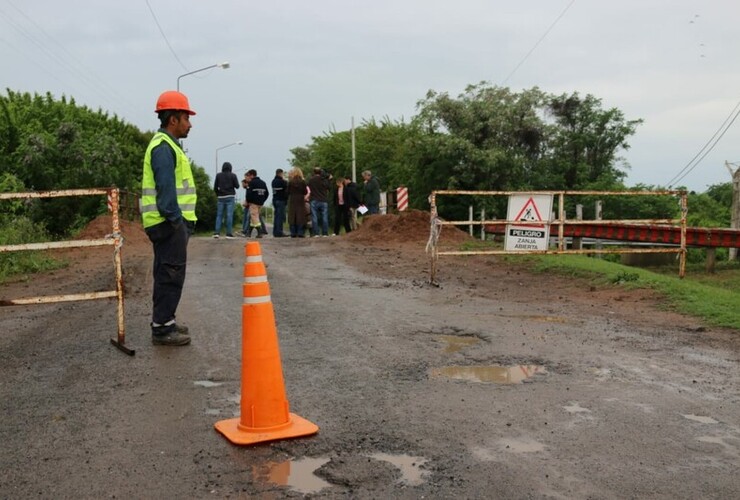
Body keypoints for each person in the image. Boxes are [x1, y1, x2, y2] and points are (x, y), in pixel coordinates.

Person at [140, 90, 196, 346]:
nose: (190, 124)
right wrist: (177, 223)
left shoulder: (168, 146)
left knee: (167, 271)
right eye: (186, 117)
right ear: (173, 119)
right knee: (170, 274)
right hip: (168, 223)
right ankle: (162, 329)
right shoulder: (163, 148)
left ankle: (165, 322)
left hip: (167, 223)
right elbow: (165, 192)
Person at [212, 161, 239, 239]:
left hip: (220, 197)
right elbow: (237, 186)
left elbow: (215, 187)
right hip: (230, 196)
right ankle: (228, 233)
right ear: (230, 168)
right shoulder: (233, 175)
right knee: (229, 215)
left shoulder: (218, 175)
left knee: (219, 215)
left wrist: (218, 194)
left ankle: (217, 233)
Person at [243, 169, 269, 238]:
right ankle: (248, 233)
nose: (248, 176)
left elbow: (248, 194)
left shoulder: (251, 183)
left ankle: (260, 232)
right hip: (260, 203)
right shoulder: (263, 183)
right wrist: (263, 200)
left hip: (253, 203)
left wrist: (248, 202)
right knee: (253, 218)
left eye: (249, 175)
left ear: (252, 175)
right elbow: (267, 193)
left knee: (254, 217)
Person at [307, 167, 331, 236]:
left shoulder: (311, 180)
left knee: (314, 217)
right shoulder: (323, 179)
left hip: (314, 200)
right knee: (324, 216)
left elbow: (309, 188)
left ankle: (316, 233)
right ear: (320, 172)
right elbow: (328, 187)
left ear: (314, 172)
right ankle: (325, 233)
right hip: (323, 200)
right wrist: (329, 180)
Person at [286, 167, 308, 237]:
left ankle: (293, 233)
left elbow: (287, 192)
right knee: (300, 216)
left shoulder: (290, 182)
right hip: (300, 200)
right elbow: (305, 192)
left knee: (292, 216)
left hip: (292, 200)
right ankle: (300, 232)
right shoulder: (303, 182)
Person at [271, 168, 288, 237]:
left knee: (276, 217)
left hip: (275, 200)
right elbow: (286, 190)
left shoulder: (273, 181)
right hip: (281, 200)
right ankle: (279, 232)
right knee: (280, 217)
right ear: (280, 173)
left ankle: (275, 232)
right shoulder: (282, 182)